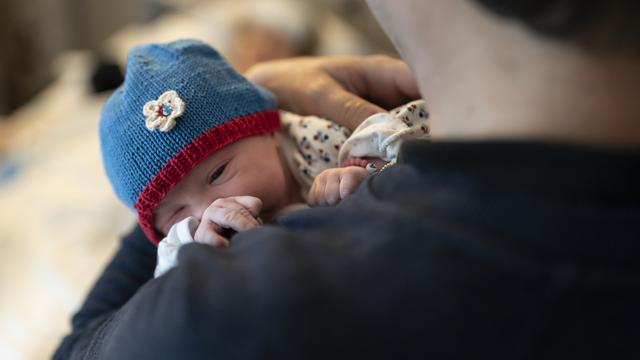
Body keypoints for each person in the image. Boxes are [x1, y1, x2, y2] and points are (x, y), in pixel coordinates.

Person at [55, 0, 640, 359]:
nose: (212, 203)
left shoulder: (225, 316)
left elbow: (80, 344)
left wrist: (257, 93)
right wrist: (192, 157)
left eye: (220, 171)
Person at [98, 39, 429, 276]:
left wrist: (362, 175)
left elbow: (414, 152)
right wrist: (194, 257)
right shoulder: (184, 243)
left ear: (269, 131)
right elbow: (166, 296)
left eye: (217, 174)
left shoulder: (317, 143)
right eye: (177, 212)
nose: (209, 210)